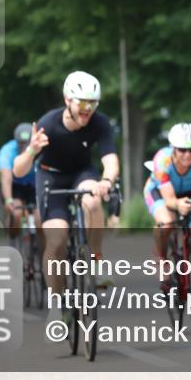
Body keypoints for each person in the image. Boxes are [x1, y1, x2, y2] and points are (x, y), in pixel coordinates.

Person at [13, 70, 120, 325]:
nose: (88, 109)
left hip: (82, 173)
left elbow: (111, 161)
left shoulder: (99, 122)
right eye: (82, 102)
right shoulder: (49, 124)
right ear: (67, 100)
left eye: (93, 103)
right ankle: (56, 302)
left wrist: (106, 181)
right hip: (50, 177)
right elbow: (19, 170)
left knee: (92, 200)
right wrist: (31, 151)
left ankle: (95, 261)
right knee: (57, 238)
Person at [145, 123, 191, 270]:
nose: (187, 154)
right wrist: (178, 205)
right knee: (167, 221)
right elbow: (169, 200)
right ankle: (159, 257)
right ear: (173, 148)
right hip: (159, 192)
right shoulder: (162, 159)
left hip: (187, 192)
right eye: (182, 150)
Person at [0, 123, 42, 247]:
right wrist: (8, 200)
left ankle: (43, 254)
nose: (23, 146)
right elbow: (6, 178)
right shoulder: (7, 150)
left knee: (40, 219)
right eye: (20, 143)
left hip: (34, 185)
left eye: (26, 143)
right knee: (16, 213)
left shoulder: (40, 148)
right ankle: (12, 238)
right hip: (15, 186)